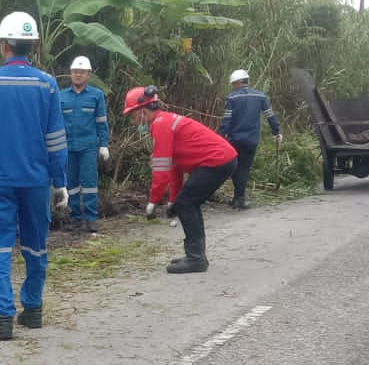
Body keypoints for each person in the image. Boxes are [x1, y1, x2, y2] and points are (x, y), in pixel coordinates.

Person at [0, 11, 68, 341]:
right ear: (32, 46)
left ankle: (4, 319)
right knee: (36, 246)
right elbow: (56, 139)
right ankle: (34, 310)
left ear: (5, 45)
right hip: (37, 181)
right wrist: (60, 180)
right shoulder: (48, 84)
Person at [125, 85, 237, 274]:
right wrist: (171, 200)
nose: (133, 121)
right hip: (222, 160)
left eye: (133, 116)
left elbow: (160, 169)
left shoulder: (160, 125)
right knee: (187, 202)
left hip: (217, 161)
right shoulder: (164, 121)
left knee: (186, 203)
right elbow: (173, 166)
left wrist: (153, 201)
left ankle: (196, 258)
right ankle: (196, 255)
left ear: (142, 112)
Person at [57, 56, 110, 232]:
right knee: (71, 185)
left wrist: (104, 144)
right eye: (74, 72)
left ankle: (91, 219)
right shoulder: (61, 96)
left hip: (88, 147)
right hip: (67, 147)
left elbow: (101, 121)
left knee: (89, 184)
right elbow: (55, 123)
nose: (77, 75)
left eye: (81, 72)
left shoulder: (96, 95)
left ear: (88, 74)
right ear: (70, 74)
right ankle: (76, 219)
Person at [217, 69, 282, 210]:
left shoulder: (232, 98)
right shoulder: (260, 96)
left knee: (235, 168)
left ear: (239, 82)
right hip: (252, 140)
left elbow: (226, 120)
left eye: (233, 83)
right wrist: (276, 132)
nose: (233, 86)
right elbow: (270, 116)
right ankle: (239, 198)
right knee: (244, 168)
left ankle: (239, 198)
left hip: (234, 140)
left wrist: (222, 136)